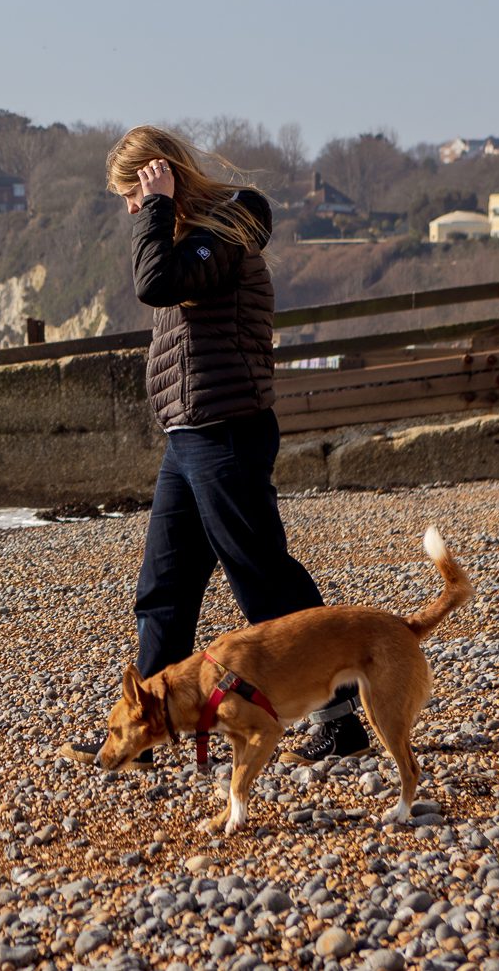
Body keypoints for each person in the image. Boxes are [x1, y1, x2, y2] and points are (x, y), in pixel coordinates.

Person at [62, 125, 368, 764]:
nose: (130, 210)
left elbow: (154, 284)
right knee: (164, 587)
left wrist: (156, 206)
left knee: (261, 575)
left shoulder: (225, 231)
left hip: (224, 428)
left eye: (131, 193)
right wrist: (161, 211)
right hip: (189, 432)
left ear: (158, 177)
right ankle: (142, 727)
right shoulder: (189, 239)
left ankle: (342, 721)